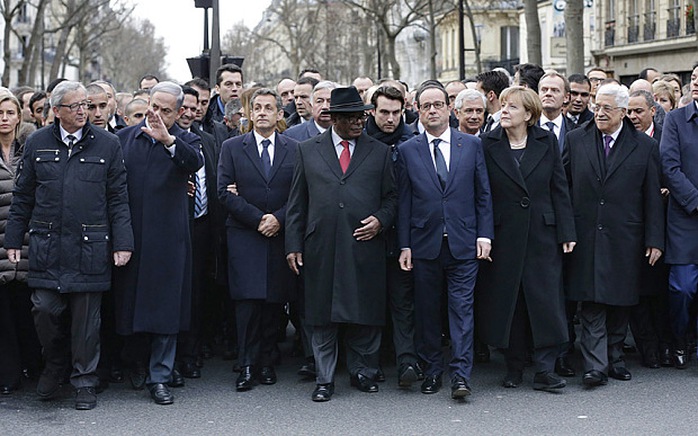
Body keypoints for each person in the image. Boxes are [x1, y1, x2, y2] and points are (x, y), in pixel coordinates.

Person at [5, 81, 133, 410]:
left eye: (87, 105)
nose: (83, 111)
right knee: (44, 310)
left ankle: (84, 380)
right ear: (57, 110)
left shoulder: (107, 144)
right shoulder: (36, 143)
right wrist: (13, 239)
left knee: (86, 321)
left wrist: (123, 242)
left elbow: (118, 198)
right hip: (47, 245)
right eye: (76, 106)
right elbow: (23, 197)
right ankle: (55, 363)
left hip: (91, 246)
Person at [285, 86, 396, 402]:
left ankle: (363, 372)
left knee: (366, 311)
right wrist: (293, 245)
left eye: (362, 116)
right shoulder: (307, 150)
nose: (360, 122)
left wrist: (380, 220)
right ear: (335, 119)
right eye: (351, 117)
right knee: (321, 315)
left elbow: (392, 197)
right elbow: (297, 203)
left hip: (364, 244)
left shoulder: (379, 151)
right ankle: (325, 378)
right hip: (322, 247)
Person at [564, 83, 664, 387]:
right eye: (598, 106)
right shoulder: (575, 140)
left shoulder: (645, 147)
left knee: (621, 300)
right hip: (586, 234)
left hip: (626, 236)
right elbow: (563, 189)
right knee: (592, 301)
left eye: (607, 108)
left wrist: (654, 240)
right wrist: (566, 231)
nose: (600, 112)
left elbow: (652, 197)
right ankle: (595, 366)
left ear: (623, 112)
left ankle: (614, 356)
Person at [396, 84, 493, 400]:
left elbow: (483, 193)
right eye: (426, 106)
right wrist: (405, 245)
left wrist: (484, 235)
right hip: (425, 244)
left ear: (450, 108)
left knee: (462, 311)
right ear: (418, 111)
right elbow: (404, 201)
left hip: (464, 242)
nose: (433, 110)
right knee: (428, 312)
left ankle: (461, 375)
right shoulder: (408, 149)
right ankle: (432, 371)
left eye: (438, 104)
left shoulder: (471, 145)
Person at [477, 86, 576, 391]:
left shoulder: (546, 141)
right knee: (512, 301)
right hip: (504, 234)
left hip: (541, 234)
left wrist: (566, 231)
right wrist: (484, 234)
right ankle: (514, 365)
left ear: (529, 115)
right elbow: (483, 193)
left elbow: (559, 188)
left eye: (512, 107)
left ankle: (545, 368)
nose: (503, 110)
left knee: (545, 300)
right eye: (503, 105)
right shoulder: (487, 143)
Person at [113, 81, 203, 405]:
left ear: (179, 112)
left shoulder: (187, 140)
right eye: (155, 107)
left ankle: (160, 376)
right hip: (132, 235)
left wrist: (168, 141)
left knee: (166, 309)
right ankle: (135, 361)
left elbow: (194, 162)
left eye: (167, 110)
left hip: (169, 238)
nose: (158, 115)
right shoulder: (123, 139)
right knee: (130, 305)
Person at [217, 88, 297, 391]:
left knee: (273, 303)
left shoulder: (294, 148)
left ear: (279, 114)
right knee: (247, 304)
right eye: (257, 108)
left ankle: (266, 362)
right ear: (249, 114)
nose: (262, 112)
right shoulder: (232, 147)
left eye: (269, 108)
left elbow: (300, 194)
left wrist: (279, 218)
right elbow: (223, 191)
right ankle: (247, 364)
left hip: (279, 234)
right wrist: (257, 219)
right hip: (245, 234)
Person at [364, 84, 420, 386]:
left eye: (396, 113)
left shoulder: (411, 140)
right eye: (384, 112)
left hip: (403, 234)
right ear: (373, 111)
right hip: (370, 230)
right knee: (372, 299)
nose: (390, 118)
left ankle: (406, 360)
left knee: (402, 301)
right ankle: (372, 361)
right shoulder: (362, 141)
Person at [0, 91, 41, 395]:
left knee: (28, 309)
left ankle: (33, 366)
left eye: (9, 113)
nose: (4, 119)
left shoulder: (30, 150)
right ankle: (8, 373)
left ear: (19, 116)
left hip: (28, 239)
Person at [659, 63, 698, 370]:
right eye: (694, 78)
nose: (696, 82)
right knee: (682, 288)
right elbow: (669, 167)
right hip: (686, 219)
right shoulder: (675, 120)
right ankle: (679, 337)